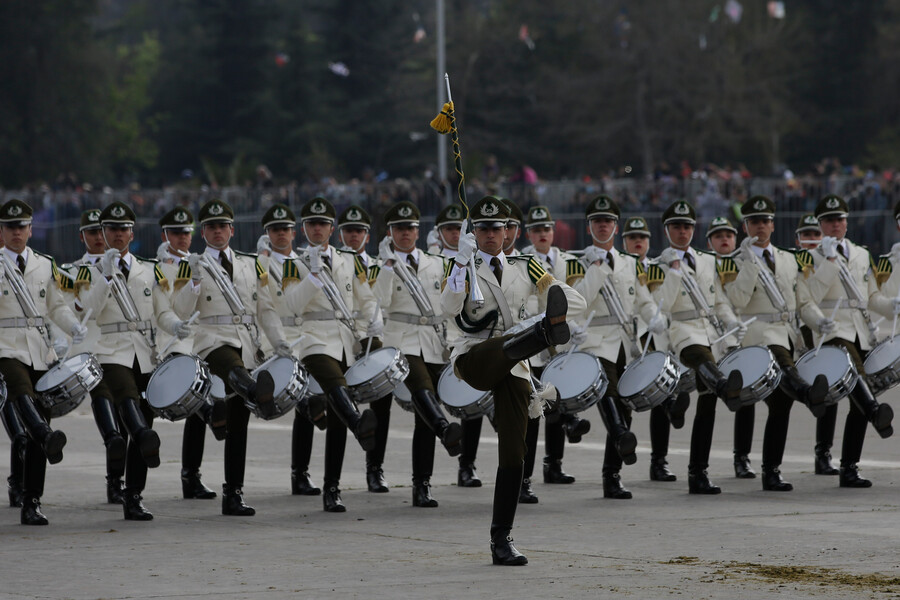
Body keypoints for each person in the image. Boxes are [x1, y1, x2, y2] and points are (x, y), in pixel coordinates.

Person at [440, 196, 586, 565]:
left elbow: (575, 303)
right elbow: (448, 306)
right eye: (483, 228)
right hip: (474, 358)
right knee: (509, 347)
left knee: (515, 453)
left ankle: (501, 539)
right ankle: (538, 335)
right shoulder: (463, 265)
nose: (490, 234)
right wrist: (460, 259)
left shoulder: (527, 266)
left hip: (515, 364)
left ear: (508, 231)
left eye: (497, 228)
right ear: (474, 232)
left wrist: (554, 299)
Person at [172, 199, 290, 515]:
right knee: (234, 370)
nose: (217, 231)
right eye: (211, 226)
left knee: (239, 425)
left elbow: (265, 308)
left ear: (232, 230)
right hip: (211, 341)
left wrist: (279, 342)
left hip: (246, 342)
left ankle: (233, 494)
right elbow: (180, 311)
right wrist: (194, 282)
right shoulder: (191, 263)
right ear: (203, 233)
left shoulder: (252, 264)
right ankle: (255, 392)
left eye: (222, 225)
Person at [75, 201, 190, 520]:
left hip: (145, 352)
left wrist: (176, 326)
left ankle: (134, 496)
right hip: (111, 350)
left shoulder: (150, 268)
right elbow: (87, 312)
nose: (118, 234)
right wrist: (106, 277)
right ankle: (138, 434)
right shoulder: (88, 271)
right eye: (112, 229)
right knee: (125, 397)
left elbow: (162, 310)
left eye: (124, 228)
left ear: (132, 231)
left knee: (145, 415)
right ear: (103, 232)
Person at [720, 196, 829, 491]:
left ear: (773, 224)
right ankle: (806, 393)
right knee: (753, 398)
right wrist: (751, 265)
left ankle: (771, 471)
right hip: (756, 336)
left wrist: (818, 320)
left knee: (780, 406)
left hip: (784, 333)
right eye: (754, 221)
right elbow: (737, 301)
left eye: (766, 221)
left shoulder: (788, 258)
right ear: (745, 226)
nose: (761, 226)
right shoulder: (735, 262)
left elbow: (802, 300)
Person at [281, 197, 379, 512]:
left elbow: (366, 300)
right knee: (338, 391)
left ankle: (331, 488)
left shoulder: (351, 260)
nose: (317, 228)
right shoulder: (292, 263)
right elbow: (291, 305)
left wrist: (370, 326)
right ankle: (356, 420)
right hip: (311, 339)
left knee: (334, 416)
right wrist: (311, 277)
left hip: (344, 339)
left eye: (323, 223)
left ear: (332, 228)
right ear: (303, 228)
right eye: (311, 223)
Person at [566, 196, 662, 499]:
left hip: (625, 341)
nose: (603, 225)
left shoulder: (629, 263)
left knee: (626, 404)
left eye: (607, 221)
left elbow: (642, 299)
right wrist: (597, 268)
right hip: (595, 340)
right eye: (597, 221)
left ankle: (612, 475)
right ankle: (620, 434)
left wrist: (654, 317)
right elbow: (577, 300)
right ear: (589, 227)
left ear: (616, 227)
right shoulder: (577, 263)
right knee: (607, 389)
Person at [797, 194, 894, 488]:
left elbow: (870, 296)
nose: (835, 225)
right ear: (821, 224)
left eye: (839, 219)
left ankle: (849, 467)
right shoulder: (807, 258)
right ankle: (874, 412)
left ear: (847, 222)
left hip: (860, 331)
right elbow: (807, 297)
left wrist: (891, 306)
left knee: (853, 399)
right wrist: (827, 260)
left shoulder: (862, 254)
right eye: (828, 220)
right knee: (856, 379)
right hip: (832, 331)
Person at [0, 198, 87, 524]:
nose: (16, 232)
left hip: (40, 350)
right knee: (21, 391)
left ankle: (31, 500)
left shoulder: (44, 264)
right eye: (10, 227)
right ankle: (41, 429)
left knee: (41, 426)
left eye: (21, 226)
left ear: (31, 230)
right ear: (2, 231)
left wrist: (73, 326)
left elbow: (56, 307)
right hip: (5, 348)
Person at [372, 201, 463, 506]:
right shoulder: (382, 265)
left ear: (418, 230)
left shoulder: (435, 263)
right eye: (399, 228)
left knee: (425, 414)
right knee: (423, 390)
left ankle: (421, 485)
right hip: (401, 342)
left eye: (410, 227)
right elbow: (380, 301)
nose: (406, 233)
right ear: (390, 233)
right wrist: (386, 267)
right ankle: (444, 429)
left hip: (435, 342)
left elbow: (451, 302)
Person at [649, 200, 744, 494]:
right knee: (699, 358)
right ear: (666, 230)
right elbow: (660, 303)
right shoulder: (658, 265)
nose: (682, 231)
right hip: (681, 330)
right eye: (676, 226)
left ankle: (698, 473)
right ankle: (725, 385)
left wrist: (729, 321)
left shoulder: (707, 260)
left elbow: (718, 300)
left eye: (687, 226)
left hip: (709, 331)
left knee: (707, 409)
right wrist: (675, 272)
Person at [519, 204, 591, 502]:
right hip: (534, 342)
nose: (542, 235)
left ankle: (554, 465)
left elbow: (574, 296)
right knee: (535, 412)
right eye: (536, 230)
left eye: (546, 229)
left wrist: (573, 326)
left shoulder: (568, 261)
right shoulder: (521, 262)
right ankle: (524, 479)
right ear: (529, 234)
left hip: (558, 343)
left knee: (556, 397)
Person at [255, 203, 326, 496]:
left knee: (309, 405)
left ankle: (301, 473)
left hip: (306, 337)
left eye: (285, 229)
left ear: (294, 232)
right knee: (303, 401)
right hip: (278, 337)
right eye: (275, 230)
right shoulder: (261, 265)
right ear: (267, 233)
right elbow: (270, 306)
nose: (281, 234)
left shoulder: (306, 260)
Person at [61, 209, 129, 505]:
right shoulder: (71, 272)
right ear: (82, 237)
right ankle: (112, 448)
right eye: (92, 233)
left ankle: (117, 481)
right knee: (103, 397)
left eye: (102, 232)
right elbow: (75, 309)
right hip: (88, 348)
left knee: (126, 411)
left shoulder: (128, 265)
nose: (100, 239)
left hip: (121, 347)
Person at [154, 206, 222, 500]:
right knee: (198, 399)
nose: (182, 237)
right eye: (175, 233)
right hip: (175, 339)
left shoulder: (203, 263)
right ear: (165, 235)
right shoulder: (161, 267)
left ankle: (190, 476)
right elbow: (165, 309)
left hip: (202, 338)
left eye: (186, 232)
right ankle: (212, 413)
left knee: (196, 413)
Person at [620, 216, 689, 483]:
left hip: (654, 338)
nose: (638, 242)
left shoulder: (658, 268)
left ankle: (659, 462)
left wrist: (673, 270)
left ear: (649, 242)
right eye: (632, 238)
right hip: (628, 339)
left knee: (660, 397)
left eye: (642, 238)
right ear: (624, 241)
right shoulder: (621, 266)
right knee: (624, 405)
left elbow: (663, 303)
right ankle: (617, 465)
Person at [337, 204, 393, 494]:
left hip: (373, 339)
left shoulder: (376, 266)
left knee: (381, 405)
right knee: (330, 404)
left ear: (367, 237)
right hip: (342, 338)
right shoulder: (333, 265)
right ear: (340, 234)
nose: (353, 236)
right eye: (348, 231)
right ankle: (304, 473)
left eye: (359, 231)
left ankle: (375, 469)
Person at [429, 204, 484, 488]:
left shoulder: (479, 260)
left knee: (473, 406)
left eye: (458, 228)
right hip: (437, 342)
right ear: (439, 233)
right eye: (449, 229)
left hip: (467, 341)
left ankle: (467, 466)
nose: (454, 233)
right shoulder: (432, 261)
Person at [705, 217, 757, 479]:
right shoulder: (704, 265)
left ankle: (742, 458)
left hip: (741, 335)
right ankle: (664, 459)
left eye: (728, 234)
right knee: (704, 403)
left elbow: (743, 298)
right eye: (718, 236)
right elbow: (722, 300)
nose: (724, 239)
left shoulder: (744, 263)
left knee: (746, 399)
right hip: (713, 337)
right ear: (709, 242)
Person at [794, 214, 838, 475]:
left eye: (816, 235)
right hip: (801, 326)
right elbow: (811, 294)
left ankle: (823, 452)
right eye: (806, 236)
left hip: (827, 327)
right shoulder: (797, 260)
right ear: (797, 239)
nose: (811, 241)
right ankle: (742, 456)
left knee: (828, 388)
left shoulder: (833, 257)